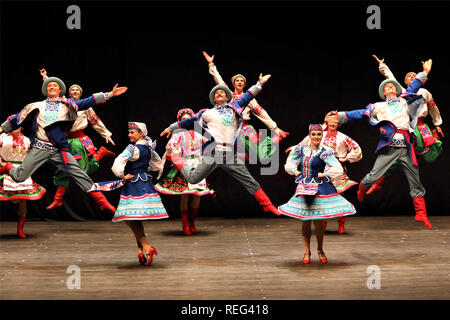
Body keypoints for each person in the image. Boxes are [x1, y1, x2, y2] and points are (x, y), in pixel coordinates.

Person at [160, 73, 281, 216]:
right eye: (216, 93)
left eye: (222, 92)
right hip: (213, 152)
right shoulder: (207, 112)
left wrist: (259, 84)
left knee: (249, 180)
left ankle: (267, 204)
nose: (219, 93)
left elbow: (248, 96)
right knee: (193, 178)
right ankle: (175, 158)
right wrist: (171, 127)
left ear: (227, 96)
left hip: (229, 153)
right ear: (213, 98)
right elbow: (189, 121)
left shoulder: (235, 107)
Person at [334, 59, 433, 229]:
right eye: (387, 87)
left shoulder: (404, 101)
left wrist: (425, 72)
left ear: (396, 89)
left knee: (415, 180)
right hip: (389, 147)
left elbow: (414, 87)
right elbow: (359, 114)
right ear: (383, 92)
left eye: (392, 86)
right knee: (373, 176)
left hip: (406, 148)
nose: (390, 87)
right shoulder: (378, 106)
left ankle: (421, 213)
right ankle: (362, 189)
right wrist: (341, 116)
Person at [0, 76, 127, 197]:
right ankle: (6, 166)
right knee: (19, 177)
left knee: (78, 172)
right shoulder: (36, 105)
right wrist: (1, 128)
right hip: (40, 147)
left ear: (60, 90)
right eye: (49, 86)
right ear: (46, 90)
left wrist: (109, 94)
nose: (52, 87)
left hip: (58, 149)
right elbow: (17, 118)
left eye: (55, 85)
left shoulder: (68, 104)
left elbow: (88, 101)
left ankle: (93, 187)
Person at [39, 69, 116, 213]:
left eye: (77, 90)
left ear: (80, 93)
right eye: (72, 89)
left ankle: (59, 199)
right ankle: (100, 155)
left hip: (79, 141)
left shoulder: (86, 107)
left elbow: (95, 122)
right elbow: (53, 90)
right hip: (65, 141)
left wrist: (106, 134)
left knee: (78, 171)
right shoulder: (63, 104)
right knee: (68, 169)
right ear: (68, 93)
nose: (74, 91)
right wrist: (45, 78)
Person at [278, 124, 356, 263]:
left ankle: (320, 250)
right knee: (305, 220)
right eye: (313, 134)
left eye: (319, 134)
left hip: (319, 187)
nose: (316, 137)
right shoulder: (301, 149)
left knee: (318, 221)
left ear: (322, 136)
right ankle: (307, 252)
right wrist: (294, 171)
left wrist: (325, 174)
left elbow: (337, 168)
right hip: (304, 186)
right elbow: (289, 163)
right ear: (309, 135)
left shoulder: (325, 151)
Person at [367, 55, 444, 194]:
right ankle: (379, 180)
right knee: (400, 154)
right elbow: (390, 79)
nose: (412, 77)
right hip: (406, 127)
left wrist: (437, 123)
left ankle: (381, 180)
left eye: (415, 76)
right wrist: (382, 66)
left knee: (419, 152)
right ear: (405, 82)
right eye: (409, 77)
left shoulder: (425, 92)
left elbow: (433, 107)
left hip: (420, 126)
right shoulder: (402, 93)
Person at [203, 51, 289, 160]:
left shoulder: (249, 98)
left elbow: (261, 112)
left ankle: (274, 140)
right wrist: (211, 65)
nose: (239, 82)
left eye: (242, 81)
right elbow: (219, 80)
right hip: (229, 127)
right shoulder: (228, 96)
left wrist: (275, 128)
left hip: (244, 128)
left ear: (244, 84)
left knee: (259, 156)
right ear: (233, 83)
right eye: (237, 81)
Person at [293, 111, 362, 233]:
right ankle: (323, 223)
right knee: (322, 198)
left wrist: (346, 158)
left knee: (339, 197)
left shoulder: (343, 137)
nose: (333, 124)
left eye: (335, 122)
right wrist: (295, 149)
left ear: (339, 124)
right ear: (326, 122)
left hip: (336, 171)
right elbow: (305, 144)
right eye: (330, 121)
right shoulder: (320, 135)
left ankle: (341, 224)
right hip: (321, 171)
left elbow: (357, 150)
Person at [111, 122, 168, 266]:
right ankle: (140, 249)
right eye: (129, 132)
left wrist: (122, 175)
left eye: (132, 132)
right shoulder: (149, 148)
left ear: (140, 134)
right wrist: (145, 167)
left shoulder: (132, 148)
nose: (129, 135)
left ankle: (147, 246)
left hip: (135, 185)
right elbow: (158, 165)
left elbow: (117, 162)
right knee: (134, 217)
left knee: (129, 217)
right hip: (145, 182)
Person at [154, 108, 214, 235]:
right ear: (180, 122)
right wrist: (173, 152)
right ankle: (185, 222)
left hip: (198, 163)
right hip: (184, 164)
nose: (186, 121)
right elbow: (170, 147)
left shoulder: (199, 132)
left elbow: (211, 141)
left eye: (188, 119)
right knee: (185, 193)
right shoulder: (178, 134)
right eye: (183, 119)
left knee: (197, 194)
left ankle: (192, 221)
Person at [0, 125, 46, 238]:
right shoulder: (3, 138)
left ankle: (20, 229)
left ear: (21, 127)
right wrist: (2, 165)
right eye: (12, 126)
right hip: (5, 168)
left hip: (21, 170)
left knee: (22, 201)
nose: (15, 129)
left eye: (17, 127)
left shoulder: (26, 140)